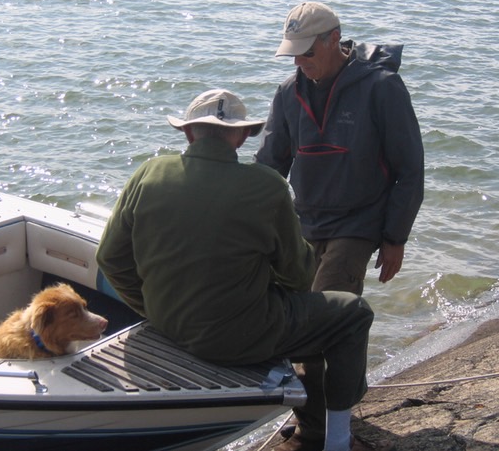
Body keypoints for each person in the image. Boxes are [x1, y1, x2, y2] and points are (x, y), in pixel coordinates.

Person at [96, 89, 377, 451]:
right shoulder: (267, 186)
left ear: (188, 132)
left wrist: (151, 306)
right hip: (236, 339)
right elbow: (300, 276)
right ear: (243, 136)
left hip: (167, 323)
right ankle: (338, 440)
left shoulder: (149, 173)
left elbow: (110, 259)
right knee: (353, 315)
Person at [254, 2, 424, 449]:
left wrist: (394, 238)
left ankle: (329, 433)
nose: (299, 61)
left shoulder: (382, 88)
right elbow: (270, 167)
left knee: (326, 320)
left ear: (334, 40)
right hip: (303, 224)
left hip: (359, 223)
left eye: (307, 52)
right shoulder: (288, 93)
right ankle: (317, 415)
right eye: (293, 53)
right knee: (289, 323)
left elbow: (411, 170)